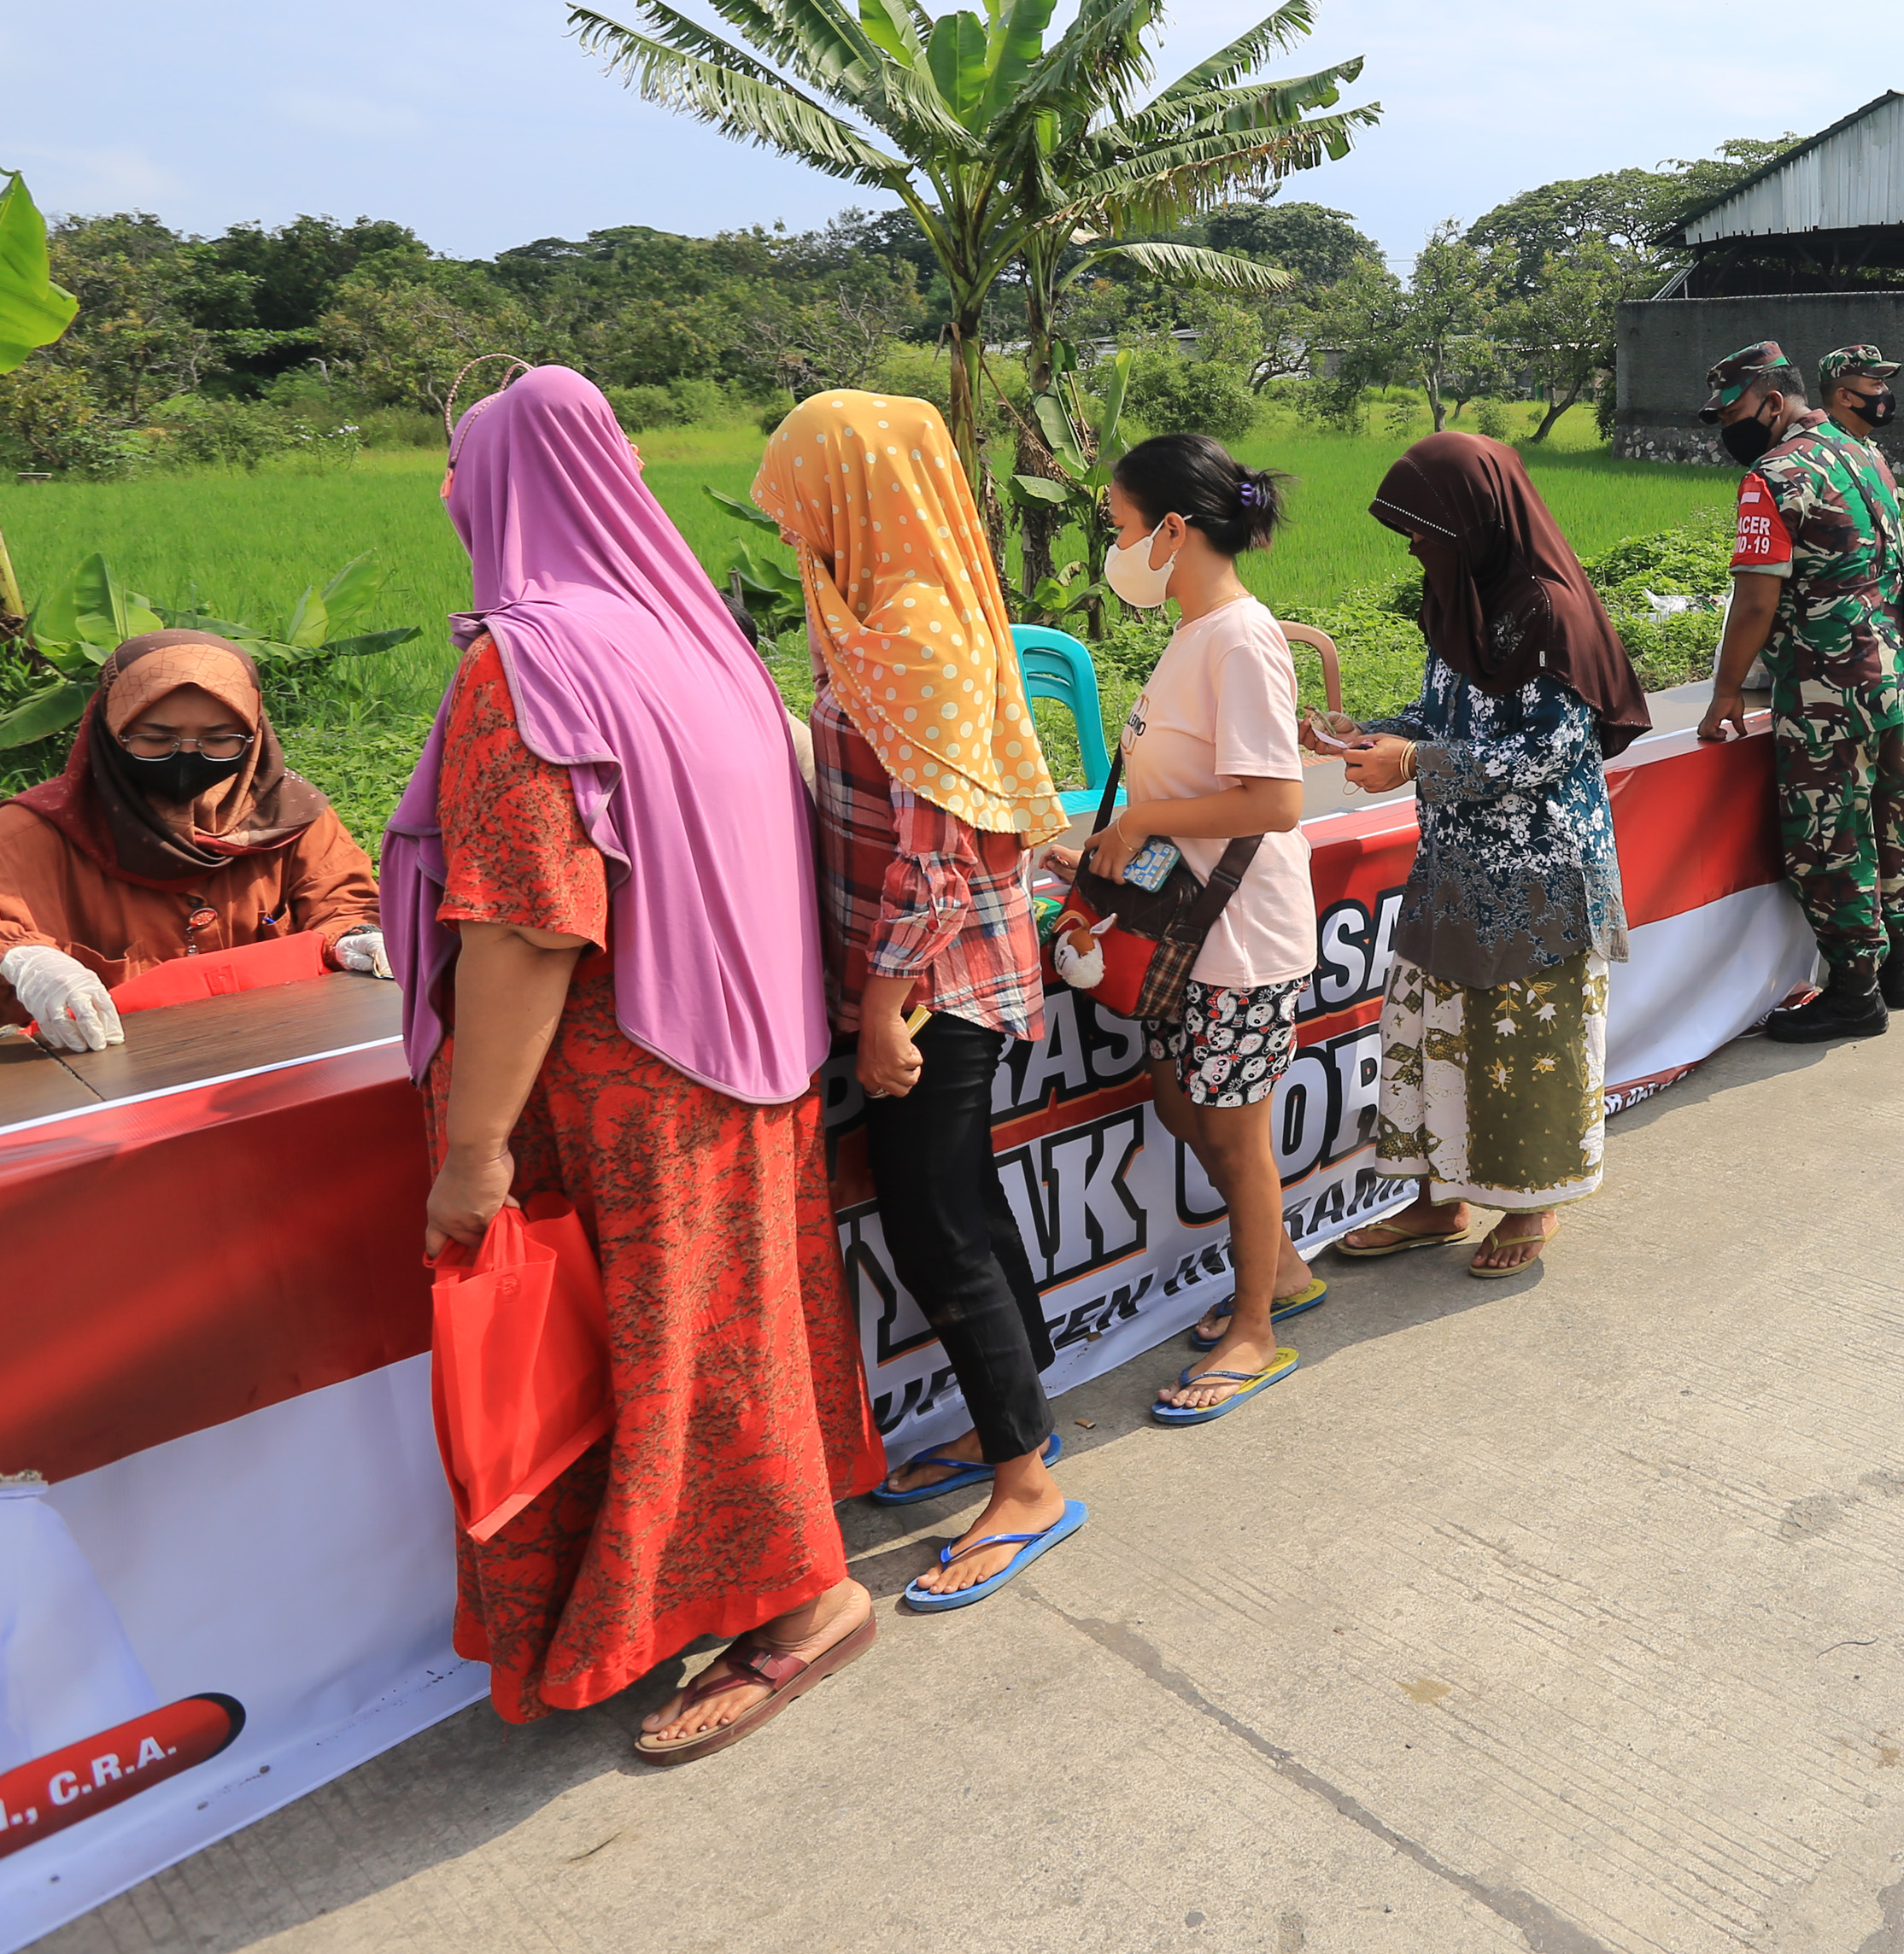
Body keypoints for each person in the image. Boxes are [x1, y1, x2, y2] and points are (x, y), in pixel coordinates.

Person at [381, 366, 875, 1758]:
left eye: (460, 481)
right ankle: (788, 1582)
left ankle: (804, 1603)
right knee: (729, 1349)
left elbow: (530, 923)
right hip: (743, 1072)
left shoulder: (523, 666)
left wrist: (473, 1154)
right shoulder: (704, 640)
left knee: (654, 1368)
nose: (452, 504)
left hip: (617, 1096)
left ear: (500, 496)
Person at [754, 391, 1081, 1606]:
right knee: (964, 1204)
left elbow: (934, 861)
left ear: (854, 496)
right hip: (914, 975)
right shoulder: (878, 616)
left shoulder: (913, 629)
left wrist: (886, 1008)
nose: (792, 523)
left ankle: (1026, 1486)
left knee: (935, 1227)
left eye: (803, 496)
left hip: (932, 984)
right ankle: (1028, 1425)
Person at [1330, 432, 1649, 1278]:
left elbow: (1548, 753)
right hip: (1456, 864)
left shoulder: (1547, 612)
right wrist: (1376, 733)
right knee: (1436, 1029)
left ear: (1474, 520)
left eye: (1423, 528)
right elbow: (1451, 713)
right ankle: (1437, 1202)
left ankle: (1528, 1207)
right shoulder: (1461, 598)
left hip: (1539, 873)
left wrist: (1415, 765)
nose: (1412, 545)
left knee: (1522, 1043)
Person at [1053, 434, 1320, 1419]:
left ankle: (1256, 1329)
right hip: (1181, 929)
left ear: (1172, 528)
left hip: (1241, 940)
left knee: (1237, 1137)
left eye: (1119, 525)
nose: (1113, 546)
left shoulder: (1241, 639)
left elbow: (1275, 801)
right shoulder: (1191, 632)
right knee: (1180, 1104)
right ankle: (1281, 1268)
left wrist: (1143, 822)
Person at [0, 631, 386, 1052]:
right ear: (110, 732)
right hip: (96, 1067)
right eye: (156, 739)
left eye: (219, 740)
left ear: (254, 734)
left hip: (275, 1049)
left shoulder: (290, 817)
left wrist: (354, 935)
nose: (187, 757)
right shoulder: (31, 833)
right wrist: (24, 959)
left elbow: (342, 900)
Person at [1698, 341, 1904, 1028]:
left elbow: (1755, 604)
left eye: (1732, 411)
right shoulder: (1863, 452)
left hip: (1828, 691)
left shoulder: (1772, 476)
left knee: (1830, 839)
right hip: (1893, 678)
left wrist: (1725, 692)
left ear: (1772, 402)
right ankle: (1898, 969)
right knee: (1892, 820)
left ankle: (1854, 993)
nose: (1725, 429)